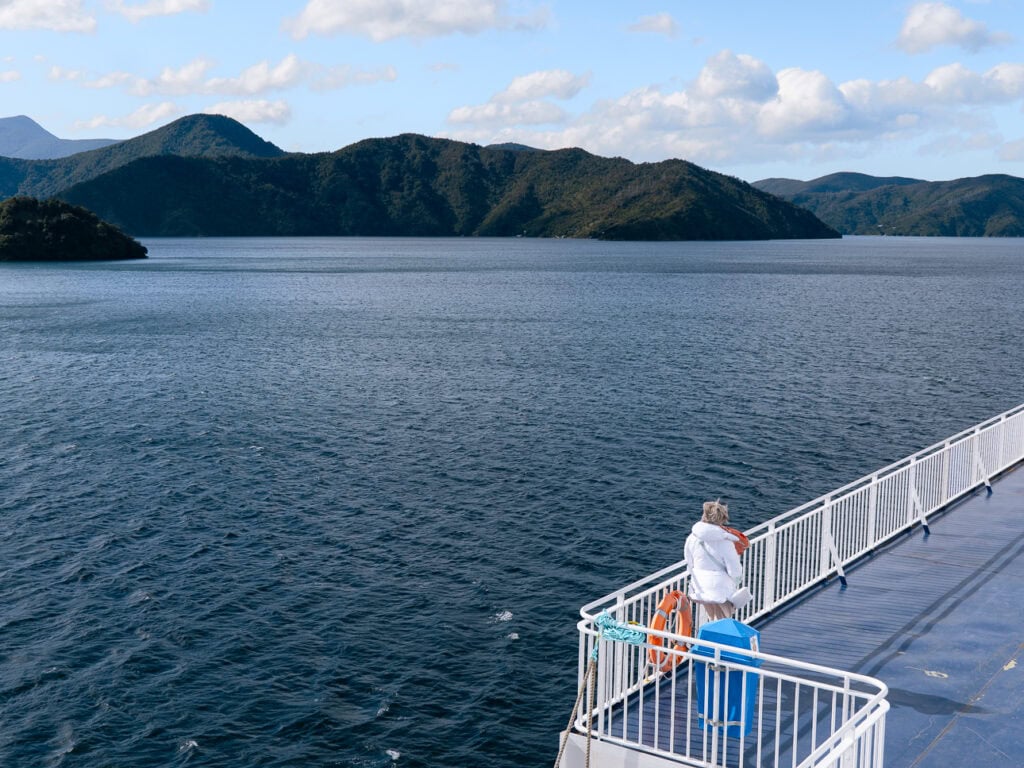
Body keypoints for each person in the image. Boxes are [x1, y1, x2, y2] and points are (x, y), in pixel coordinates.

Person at [684, 499, 743, 621]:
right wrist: (737, 580)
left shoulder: (692, 537)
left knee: (710, 617)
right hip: (720, 588)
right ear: (722, 519)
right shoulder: (725, 542)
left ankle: (706, 636)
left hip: (700, 585)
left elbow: (689, 562)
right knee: (724, 620)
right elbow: (734, 569)